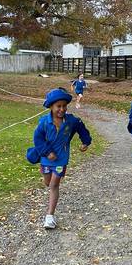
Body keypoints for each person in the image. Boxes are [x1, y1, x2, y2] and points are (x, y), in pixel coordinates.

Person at [30, 88, 92, 229]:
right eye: (58, 106)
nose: (62, 109)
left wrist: (85, 142)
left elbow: (82, 128)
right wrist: (46, 152)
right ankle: (52, 192)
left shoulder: (71, 121)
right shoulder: (44, 123)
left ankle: (50, 217)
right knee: (47, 182)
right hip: (45, 159)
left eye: (64, 106)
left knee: (54, 185)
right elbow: (37, 138)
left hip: (61, 159)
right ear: (51, 107)